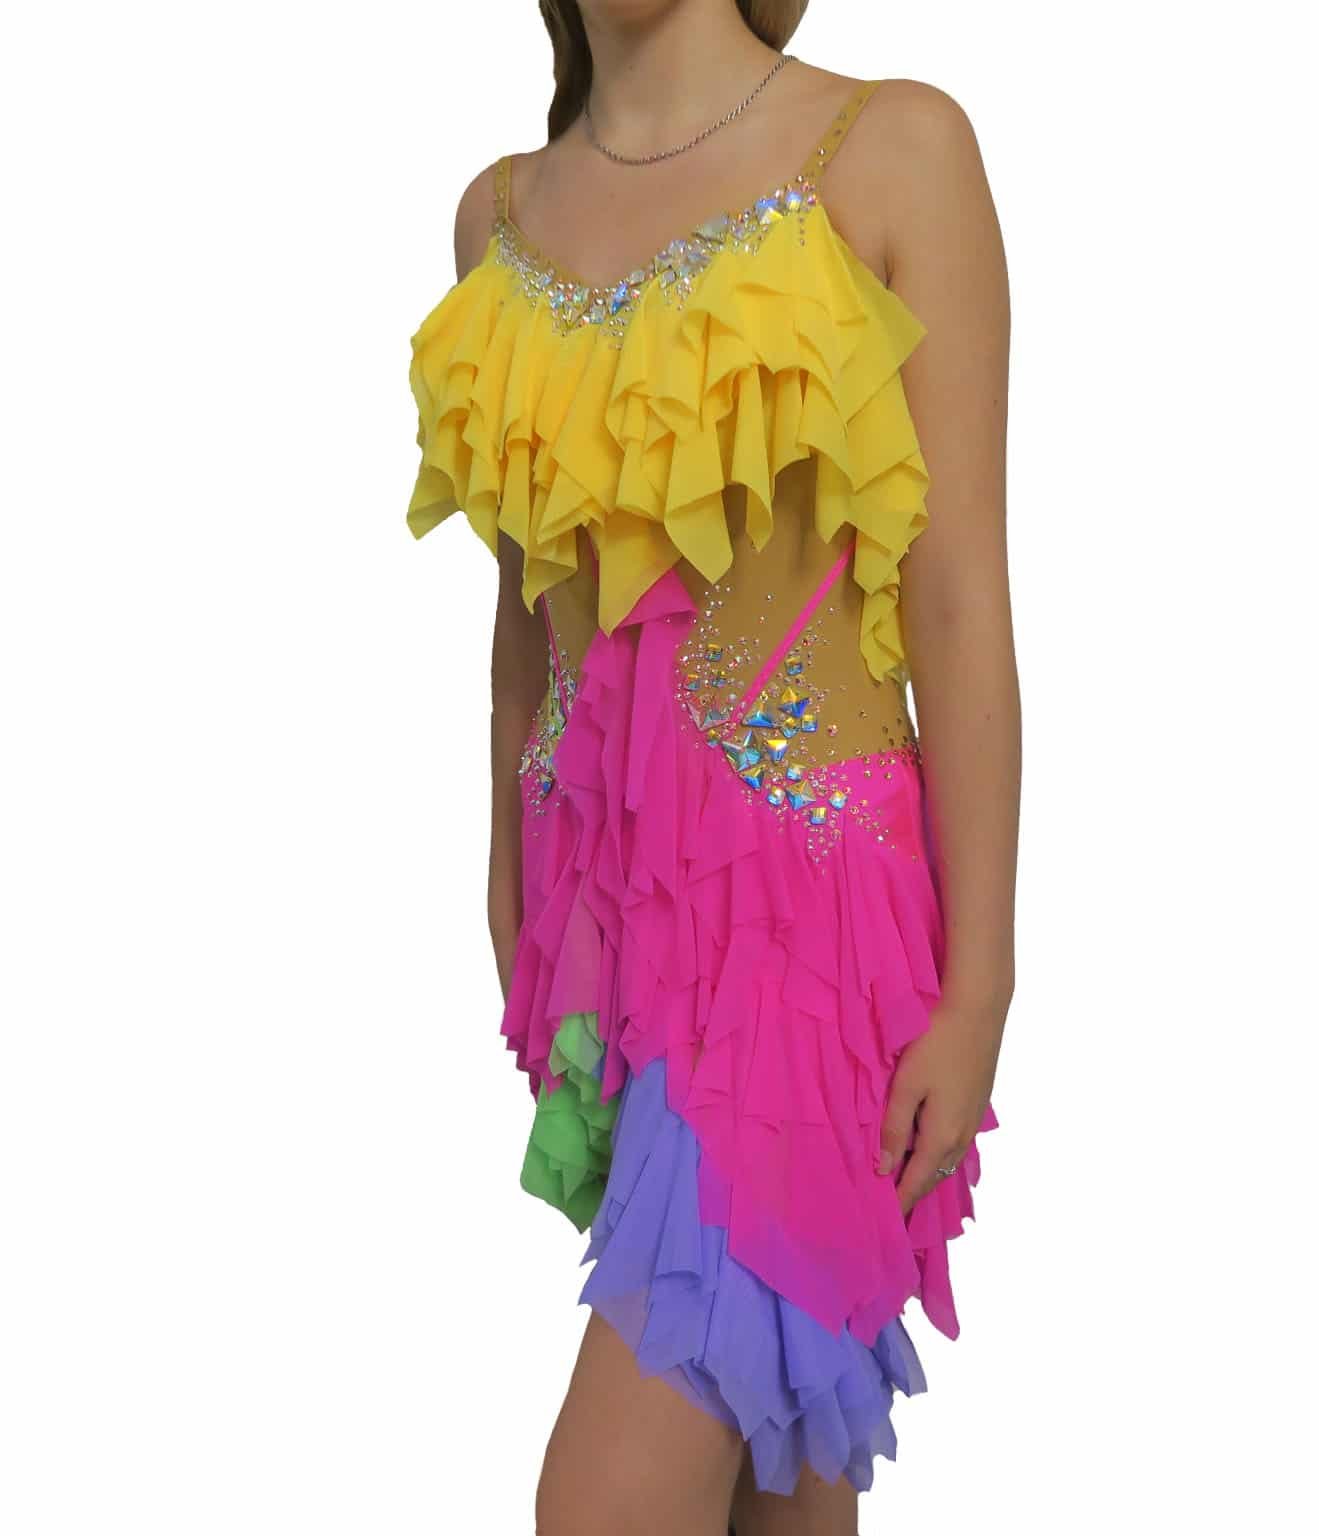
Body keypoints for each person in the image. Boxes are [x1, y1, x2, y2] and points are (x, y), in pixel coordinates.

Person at [404, 3, 1018, 1531]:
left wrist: (982, 990)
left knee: (604, 1504)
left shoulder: (891, 151)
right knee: (777, 1500)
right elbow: (525, 624)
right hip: (609, 942)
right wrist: (512, 891)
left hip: (808, 959)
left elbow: (958, 601)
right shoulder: (496, 219)